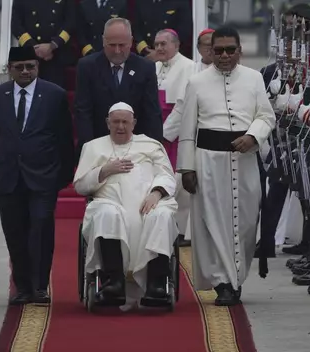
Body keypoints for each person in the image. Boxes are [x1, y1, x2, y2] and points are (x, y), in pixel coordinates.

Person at [177, 26, 276, 306]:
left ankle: (237, 278)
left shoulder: (255, 79)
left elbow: (266, 117)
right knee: (213, 223)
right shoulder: (197, 82)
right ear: (210, 52)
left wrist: (252, 135)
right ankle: (223, 283)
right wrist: (187, 168)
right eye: (217, 50)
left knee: (245, 224)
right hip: (208, 161)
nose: (223, 56)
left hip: (244, 160)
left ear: (239, 51)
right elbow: (187, 129)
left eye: (229, 50)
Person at [0, 46, 75, 305]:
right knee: (14, 232)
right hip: (10, 176)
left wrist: (61, 176)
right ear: (10, 69)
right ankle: (23, 286)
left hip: (43, 175)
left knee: (40, 228)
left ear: (38, 67)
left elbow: (64, 138)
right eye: (20, 67)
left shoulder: (54, 94)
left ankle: (40, 286)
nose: (26, 71)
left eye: (31, 66)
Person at [73, 102, 178, 306]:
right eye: (115, 122)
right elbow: (81, 187)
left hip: (149, 202)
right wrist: (104, 171)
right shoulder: (93, 147)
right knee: (106, 215)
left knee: (161, 216)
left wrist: (157, 193)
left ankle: (156, 284)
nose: (120, 127)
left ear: (134, 123)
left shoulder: (151, 145)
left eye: (125, 122)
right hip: (109, 202)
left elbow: (167, 175)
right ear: (107, 123)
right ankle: (114, 282)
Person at [74, 17, 162, 151]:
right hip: (99, 145)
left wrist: (152, 149)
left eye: (122, 45)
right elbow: (83, 111)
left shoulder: (145, 68)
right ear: (104, 41)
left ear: (131, 42)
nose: (117, 51)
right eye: (112, 45)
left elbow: (152, 113)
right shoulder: (87, 67)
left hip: (136, 146)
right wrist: (89, 149)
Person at [154, 28, 195, 246]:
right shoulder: (155, 66)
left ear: (176, 45)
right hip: (156, 129)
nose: (159, 48)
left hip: (174, 134)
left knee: (178, 183)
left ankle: (179, 231)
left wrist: (164, 134)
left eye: (164, 44)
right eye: (157, 44)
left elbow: (182, 106)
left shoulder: (189, 67)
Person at [10, 0, 76, 88]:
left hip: (56, 55)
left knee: (53, 96)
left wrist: (53, 45)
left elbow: (71, 23)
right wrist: (33, 47)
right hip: (29, 55)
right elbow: (16, 25)